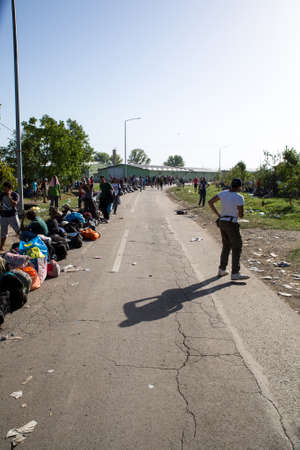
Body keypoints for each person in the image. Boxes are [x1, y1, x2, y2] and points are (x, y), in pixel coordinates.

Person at [208, 178, 249, 281]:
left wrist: (218, 214)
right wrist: (241, 213)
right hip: (231, 223)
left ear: (231, 185)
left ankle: (222, 269)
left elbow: (210, 202)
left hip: (222, 221)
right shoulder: (239, 197)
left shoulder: (223, 193)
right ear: (239, 186)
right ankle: (235, 273)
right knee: (237, 246)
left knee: (226, 246)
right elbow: (241, 215)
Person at [0, 182, 20, 251]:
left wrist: (9, 196)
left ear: (10, 188)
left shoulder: (15, 194)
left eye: (6, 188)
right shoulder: (2, 194)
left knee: (18, 230)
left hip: (12, 216)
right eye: (4, 188)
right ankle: (1, 246)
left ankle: (24, 244)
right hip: (4, 216)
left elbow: (14, 204)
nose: (4, 190)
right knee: (3, 233)